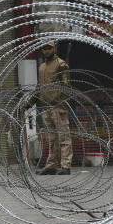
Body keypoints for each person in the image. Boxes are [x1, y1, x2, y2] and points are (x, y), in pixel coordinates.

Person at [31, 40, 72, 175]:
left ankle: (65, 166)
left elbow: (66, 86)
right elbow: (39, 88)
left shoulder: (61, 65)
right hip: (46, 107)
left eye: (49, 48)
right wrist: (29, 104)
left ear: (54, 49)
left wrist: (63, 105)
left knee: (64, 137)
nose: (47, 51)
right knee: (52, 138)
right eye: (44, 49)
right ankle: (51, 165)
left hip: (57, 106)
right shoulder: (42, 67)